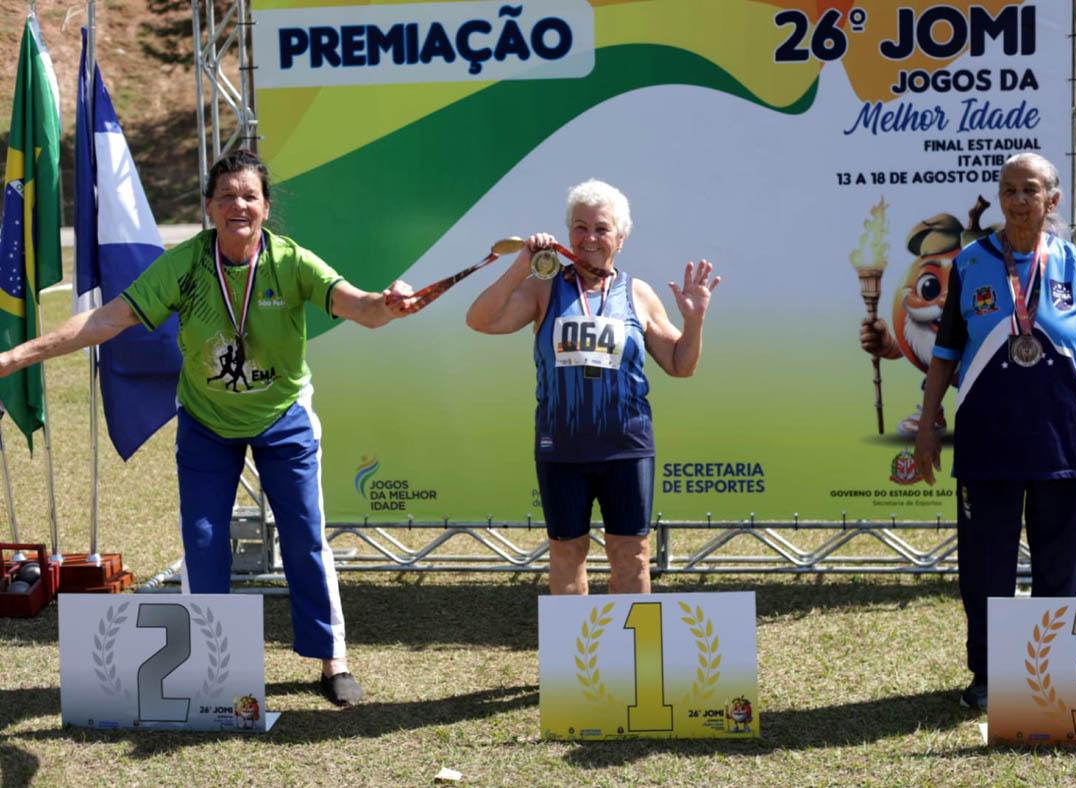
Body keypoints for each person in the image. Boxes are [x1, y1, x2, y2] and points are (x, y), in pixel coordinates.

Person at [0, 150, 417, 706]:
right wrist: (15, 358)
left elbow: (361, 307)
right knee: (202, 540)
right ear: (208, 208)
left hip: (283, 416)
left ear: (266, 208)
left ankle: (331, 659)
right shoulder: (189, 263)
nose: (237, 205)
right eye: (226, 197)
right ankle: (214, 669)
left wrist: (389, 303)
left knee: (304, 537)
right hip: (206, 420)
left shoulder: (291, 262)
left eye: (249, 196)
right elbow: (107, 319)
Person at [913, 152, 1076, 712]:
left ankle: (1052, 674)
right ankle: (991, 676)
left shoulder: (1071, 264)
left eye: (1030, 190)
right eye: (1009, 189)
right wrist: (926, 423)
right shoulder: (969, 264)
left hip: (1061, 441)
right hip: (988, 440)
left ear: (1052, 200)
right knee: (986, 566)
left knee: (1059, 567)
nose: (1018, 200)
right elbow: (944, 353)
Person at [466, 179, 720, 595]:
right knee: (567, 552)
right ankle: (577, 660)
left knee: (631, 553)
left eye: (601, 229)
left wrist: (694, 322)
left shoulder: (637, 293)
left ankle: (630, 660)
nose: (589, 238)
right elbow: (480, 319)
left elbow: (680, 365)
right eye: (579, 227)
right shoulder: (545, 287)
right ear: (568, 234)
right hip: (562, 445)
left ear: (620, 238)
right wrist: (522, 264)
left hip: (626, 446)